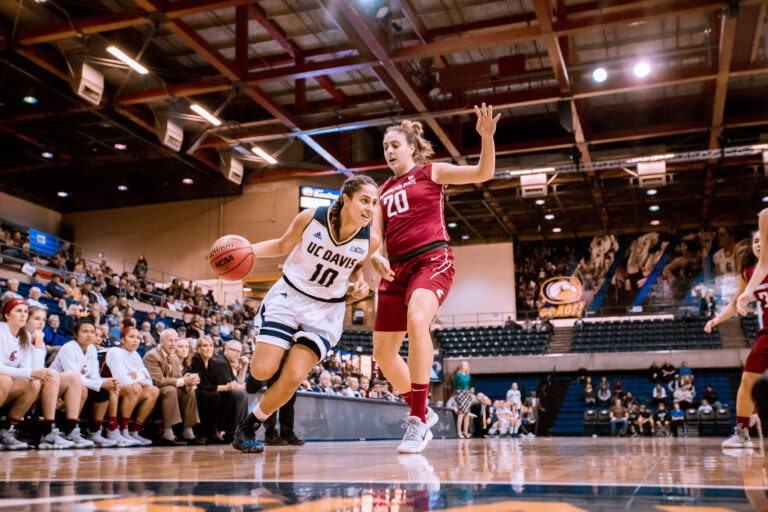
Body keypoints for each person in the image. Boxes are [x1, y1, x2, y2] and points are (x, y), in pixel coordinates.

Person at [370, 105, 500, 453]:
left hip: (432, 260)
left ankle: (415, 421)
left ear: (411, 147)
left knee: (417, 319)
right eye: (385, 147)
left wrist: (486, 138)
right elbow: (374, 237)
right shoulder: (382, 191)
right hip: (396, 270)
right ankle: (424, 412)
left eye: (395, 144)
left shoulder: (431, 172)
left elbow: (482, 172)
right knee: (383, 354)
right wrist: (375, 255)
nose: (389, 151)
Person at [233, 175, 381, 454]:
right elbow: (280, 245)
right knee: (263, 370)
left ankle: (248, 426)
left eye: (374, 203)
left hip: (325, 310)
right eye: (364, 200)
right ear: (346, 199)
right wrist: (247, 250)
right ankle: (262, 365)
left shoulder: (370, 240)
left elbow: (357, 267)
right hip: (290, 296)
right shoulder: (312, 218)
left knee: (293, 377)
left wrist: (359, 281)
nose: (370, 208)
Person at [709, 232, 764, 448]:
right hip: (766, 334)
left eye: (763, 240)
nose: (759, 244)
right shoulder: (749, 273)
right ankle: (742, 434)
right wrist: (717, 319)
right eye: (756, 241)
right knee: (748, 378)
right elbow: (735, 304)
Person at [0, 297, 74, 449]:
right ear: (7, 315)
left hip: (9, 385)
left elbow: (32, 369)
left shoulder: (24, 336)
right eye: (19, 311)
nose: (23, 315)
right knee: (5, 380)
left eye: (26, 311)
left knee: (33, 384)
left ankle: (8, 431)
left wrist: (39, 341)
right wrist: (31, 372)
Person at [49, 319, 120, 448]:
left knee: (105, 392)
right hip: (57, 387)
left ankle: (94, 432)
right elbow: (74, 378)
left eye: (92, 332)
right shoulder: (68, 348)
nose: (89, 335)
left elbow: (94, 376)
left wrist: (107, 382)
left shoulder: (92, 349)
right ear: (75, 334)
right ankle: (69, 431)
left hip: (78, 386)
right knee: (82, 388)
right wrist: (100, 384)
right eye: (85, 332)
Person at [143, 328, 200, 445]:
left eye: (175, 341)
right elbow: (158, 381)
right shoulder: (152, 356)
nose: (173, 344)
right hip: (154, 391)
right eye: (170, 341)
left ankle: (187, 430)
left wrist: (190, 382)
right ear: (161, 341)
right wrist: (183, 380)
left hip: (169, 389)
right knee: (170, 389)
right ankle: (167, 433)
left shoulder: (174, 357)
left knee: (189, 392)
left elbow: (180, 379)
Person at [104, 327, 160, 446]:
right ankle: (115, 429)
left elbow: (149, 382)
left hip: (128, 390)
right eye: (131, 337)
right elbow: (121, 379)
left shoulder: (136, 355)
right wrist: (142, 375)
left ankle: (133, 431)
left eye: (138, 338)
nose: (135, 341)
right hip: (110, 390)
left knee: (154, 390)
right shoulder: (115, 351)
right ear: (123, 340)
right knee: (135, 387)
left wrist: (138, 375)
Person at [453, 361, 472, 439]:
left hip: (466, 393)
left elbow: (468, 385)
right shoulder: (458, 374)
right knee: (461, 413)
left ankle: (465, 432)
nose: (465, 366)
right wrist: (455, 394)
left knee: (467, 413)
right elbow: (454, 384)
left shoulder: (468, 375)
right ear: (461, 366)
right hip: (460, 393)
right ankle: (459, 432)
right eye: (463, 365)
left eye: (466, 365)